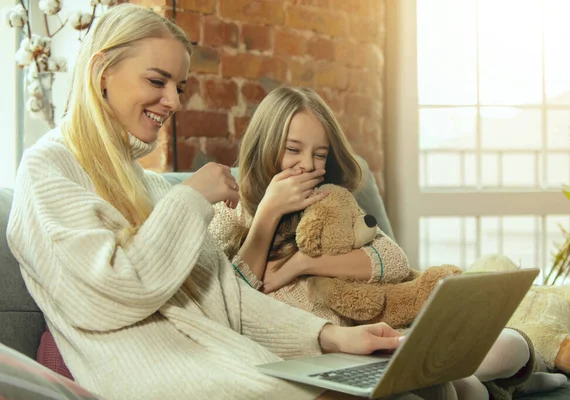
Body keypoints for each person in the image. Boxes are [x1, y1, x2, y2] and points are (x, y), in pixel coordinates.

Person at [5, 4, 442, 400]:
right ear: (102, 71)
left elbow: (227, 297)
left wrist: (331, 336)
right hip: (159, 380)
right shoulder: (48, 168)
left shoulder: (150, 186)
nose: (174, 101)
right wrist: (191, 197)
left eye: (179, 86)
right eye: (157, 81)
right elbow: (103, 296)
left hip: (232, 359)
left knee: (407, 386)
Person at [208, 87, 568, 399]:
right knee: (464, 390)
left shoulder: (330, 201)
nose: (307, 166)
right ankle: (500, 386)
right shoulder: (227, 216)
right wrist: (268, 214)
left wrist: (303, 263)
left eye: (319, 154)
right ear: (265, 146)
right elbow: (231, 304)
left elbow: (392, 260)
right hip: (320, 361)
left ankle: (496, 377)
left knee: (509, 345)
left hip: (379, 348)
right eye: (293, 150)